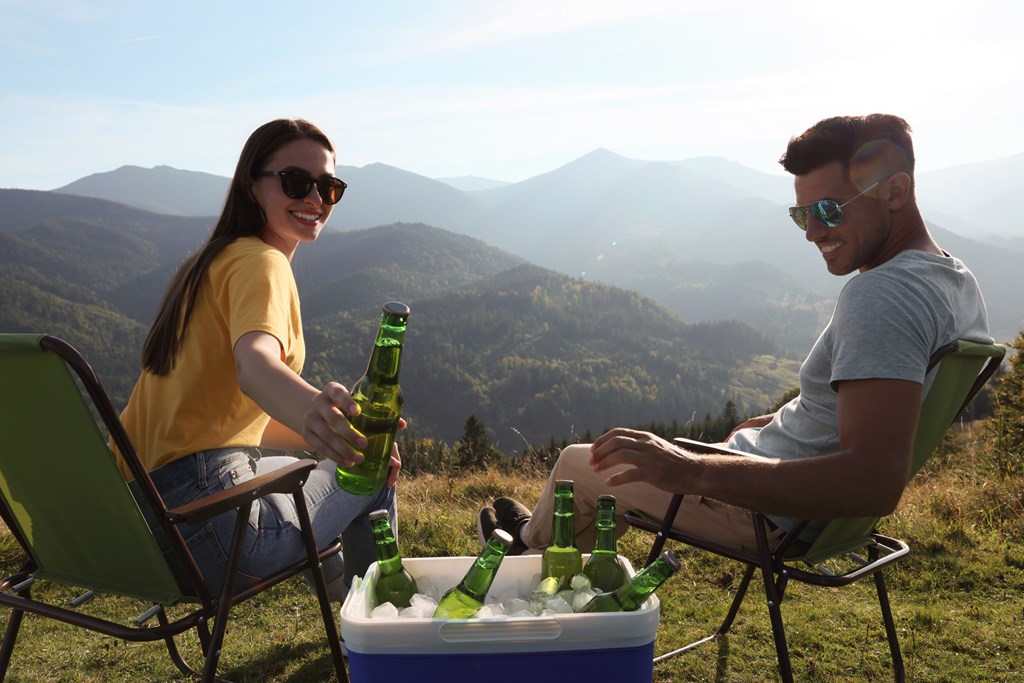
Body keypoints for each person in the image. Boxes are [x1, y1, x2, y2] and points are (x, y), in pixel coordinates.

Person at [479, 114, 992, 555]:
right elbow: (880, 409)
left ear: (895, 191)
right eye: (802, 214)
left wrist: (691, 471)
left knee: (579, 464)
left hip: (773, 518)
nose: (813, 232)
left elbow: (872, 481)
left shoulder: (881, 296)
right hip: (791, 493)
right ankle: (534, 539)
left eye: (829, 210)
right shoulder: (954, 280)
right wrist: (780, 422)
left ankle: (528, 555)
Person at [115, 118, 400, 600]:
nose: (315, 198)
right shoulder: (262, 262)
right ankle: (378, 624)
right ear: (253, 185)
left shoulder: (212, 261)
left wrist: (331, 437)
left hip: (134, 528)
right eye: (296, 182)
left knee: (345, 458)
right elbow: (256, 365)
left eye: (329, 187)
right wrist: (316, 411)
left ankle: (342, 597)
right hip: (208, 531)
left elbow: (232, 418)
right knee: (371, 474)